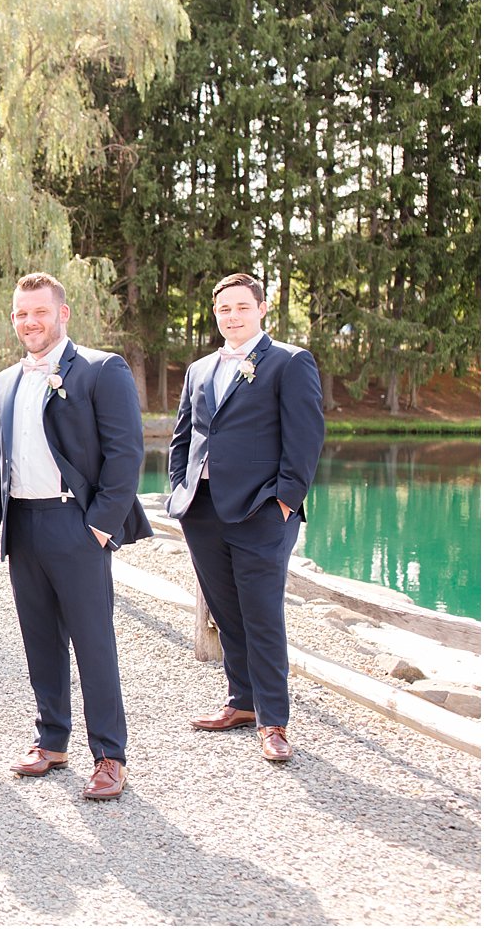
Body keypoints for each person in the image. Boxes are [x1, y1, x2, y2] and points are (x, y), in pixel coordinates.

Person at [0, 272, 150, 801]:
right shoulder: (5, 382)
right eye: (21, 314)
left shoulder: (100, 369)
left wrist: (99, 526)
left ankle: (110, 756)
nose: (30, 322)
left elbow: (126, 454)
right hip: (22, 525)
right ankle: (51, 740)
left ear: (62, 314)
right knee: (39, 639)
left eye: (40, 312)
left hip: (77, 523)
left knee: (93, 643)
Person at [166, 272, 324, 762]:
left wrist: (283, 501)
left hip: (261, 510)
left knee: (262, 615)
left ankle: (274, 721)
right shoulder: (199, 368)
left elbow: (306, 438)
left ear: (261, 309)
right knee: (226, 610)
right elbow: (183, 437)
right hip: (203, 508)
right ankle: (241, 701)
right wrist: (180, 491)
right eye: (222, 310)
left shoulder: (288, 362)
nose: (230, 316)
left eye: (240, 307)